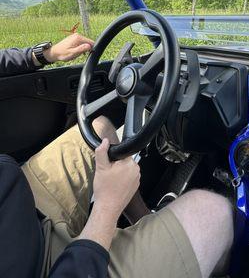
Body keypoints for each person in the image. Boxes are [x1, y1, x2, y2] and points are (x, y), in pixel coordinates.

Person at [0, 34, 234, 278]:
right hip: (49, 269)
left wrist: (42, 55)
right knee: (214, 213)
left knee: (98, 129)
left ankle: (142, 219)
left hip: (17, 208)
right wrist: (107, 208)